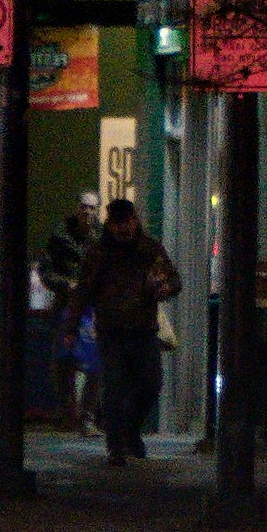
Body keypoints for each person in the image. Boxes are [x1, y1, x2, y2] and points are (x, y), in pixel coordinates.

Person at [81, 192, 179, 466]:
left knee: (150, 384)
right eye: (118, 223)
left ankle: (130, 430)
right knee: (114, 387)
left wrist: (162, 287)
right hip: (111, 331)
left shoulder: (149, 250)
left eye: (128, 222)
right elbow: (84, 289)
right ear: (110, 224)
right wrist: (71, 325)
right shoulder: (99, 254)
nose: (124, 228)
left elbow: (174, 279)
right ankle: (116, 446)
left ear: (135, 221)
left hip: (143, 329)